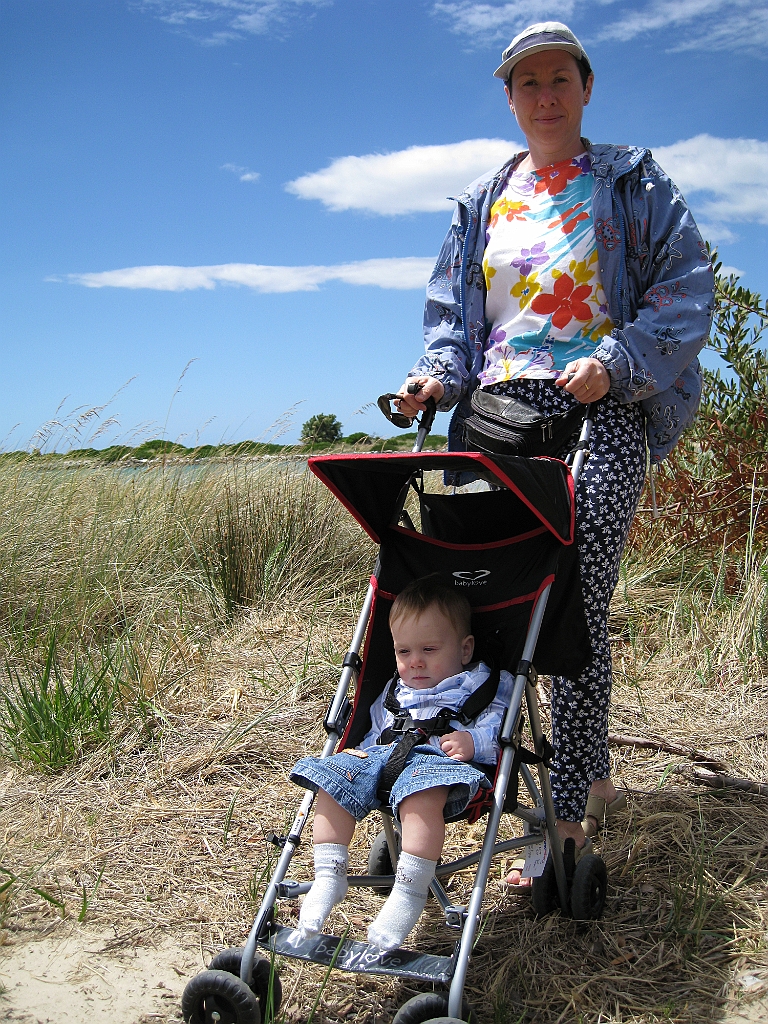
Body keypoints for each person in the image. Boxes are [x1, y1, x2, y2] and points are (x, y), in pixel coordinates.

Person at [395, 22, 714, 883]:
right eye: (527, 82)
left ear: (586, 87)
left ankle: (563, 820)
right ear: (509, 98)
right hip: (491, 418)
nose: (545, 95)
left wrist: (618, 363)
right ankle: (464, 774)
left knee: (573, 607)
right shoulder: (482, 199)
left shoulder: (632, 179)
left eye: (559, 79)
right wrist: (434, 379)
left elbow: (686, 288)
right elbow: (451, 319)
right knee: (489, 602)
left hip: (599, 407)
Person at [289, 575, 514, 950]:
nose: (416, 662)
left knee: (420, 793)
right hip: (384, 754)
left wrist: (473, 741)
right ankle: (329, 875)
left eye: (429, 649)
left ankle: (410, 892)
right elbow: (375, 730)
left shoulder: (479, 683)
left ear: (465, 649)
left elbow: (501, 727)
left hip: (438, 762)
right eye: (404, 652)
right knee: (333, 779)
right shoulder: (395, 689)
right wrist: (355, 761)